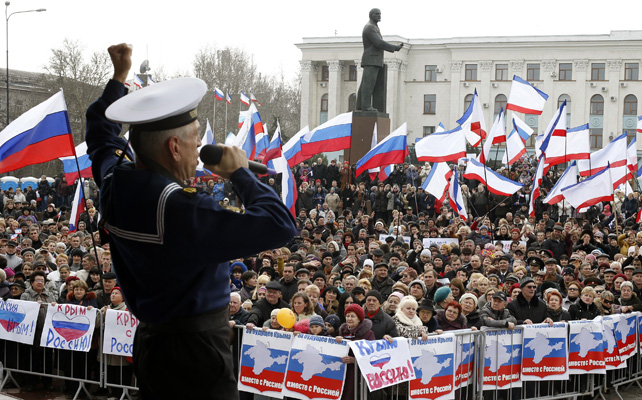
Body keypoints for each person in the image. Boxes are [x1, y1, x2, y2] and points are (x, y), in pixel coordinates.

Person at [85, 43, 297, 399]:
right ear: (173, 147)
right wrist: (241, 174)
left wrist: (118, 79)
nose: (200, 147)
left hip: (153, 344)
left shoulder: (114, 184)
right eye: (196, 139)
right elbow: (280, 223)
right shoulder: (181, 209)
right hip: (197, 354)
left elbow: (100, 132)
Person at [356, 8, 403, 112]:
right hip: (371, 59)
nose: (379, 15)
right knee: (369, 84)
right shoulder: (369, 28)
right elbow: (379, 43)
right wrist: (394, 48)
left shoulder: (374, 27)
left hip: (374, 59)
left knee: (365, 83)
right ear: (371, 15)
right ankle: (366, 106)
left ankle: (360, 105)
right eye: (377, 14)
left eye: (380, 14)